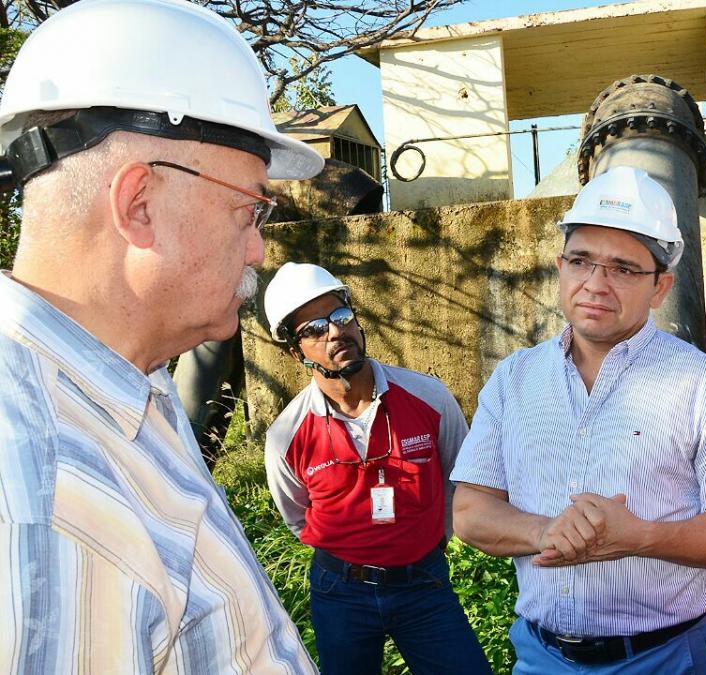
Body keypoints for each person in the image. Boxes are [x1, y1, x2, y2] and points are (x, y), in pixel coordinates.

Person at [0, 0, 325, 671]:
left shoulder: (122, 384)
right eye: (251, 208)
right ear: (139, 204)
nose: (260, 249)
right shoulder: (41, 485)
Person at [450, 165, 706, 673]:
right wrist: (546, 532)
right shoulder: (514, 379)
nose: (596, 284)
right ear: (560, 267)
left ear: (661, 286)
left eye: (623, 269)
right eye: (581, 261)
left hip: (665, 657)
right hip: (542, 658)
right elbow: (470, 511)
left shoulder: (705, 385)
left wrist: (640, 536)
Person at [262, 262, 490, 675]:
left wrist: (429, 540)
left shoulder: (429, 398)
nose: (335, 332)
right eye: (314, 329)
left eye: (341, 316)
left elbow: (460, 478)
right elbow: (296, 515)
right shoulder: (287, 435)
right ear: (296, 352)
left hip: (424, 583)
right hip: (340, 592)